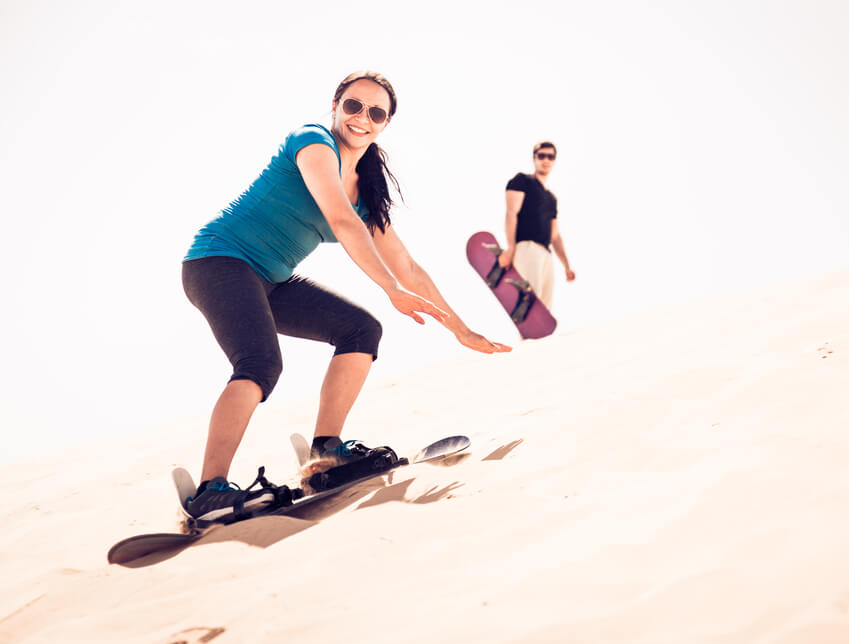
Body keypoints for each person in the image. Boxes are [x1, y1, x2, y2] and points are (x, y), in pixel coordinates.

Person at [181, 70, 511, 521]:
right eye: (354, 106)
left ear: (385, 124)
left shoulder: (368, 192)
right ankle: (209, 491)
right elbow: (340, 220)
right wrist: (389, 289)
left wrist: (462, 330)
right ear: (336, 105)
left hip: (271, 280)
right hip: (219, 262)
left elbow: (408, 266)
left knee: (361, 329)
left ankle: (327, 455)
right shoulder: (313, 141)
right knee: (260, 363)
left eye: (376, 112)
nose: (362, 118)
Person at [497, 141, 575, 310]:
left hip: (546, 255)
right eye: (541, 155)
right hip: (527, 249)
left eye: (550, 156)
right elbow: (511, 213)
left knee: (543, 312)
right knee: (529, 304)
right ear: (534, 158)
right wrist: (510, 248)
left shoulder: (551, 198)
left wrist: (567, 265)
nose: (546, 160)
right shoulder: (522, 180)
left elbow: (555, 235)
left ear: (554, 160)